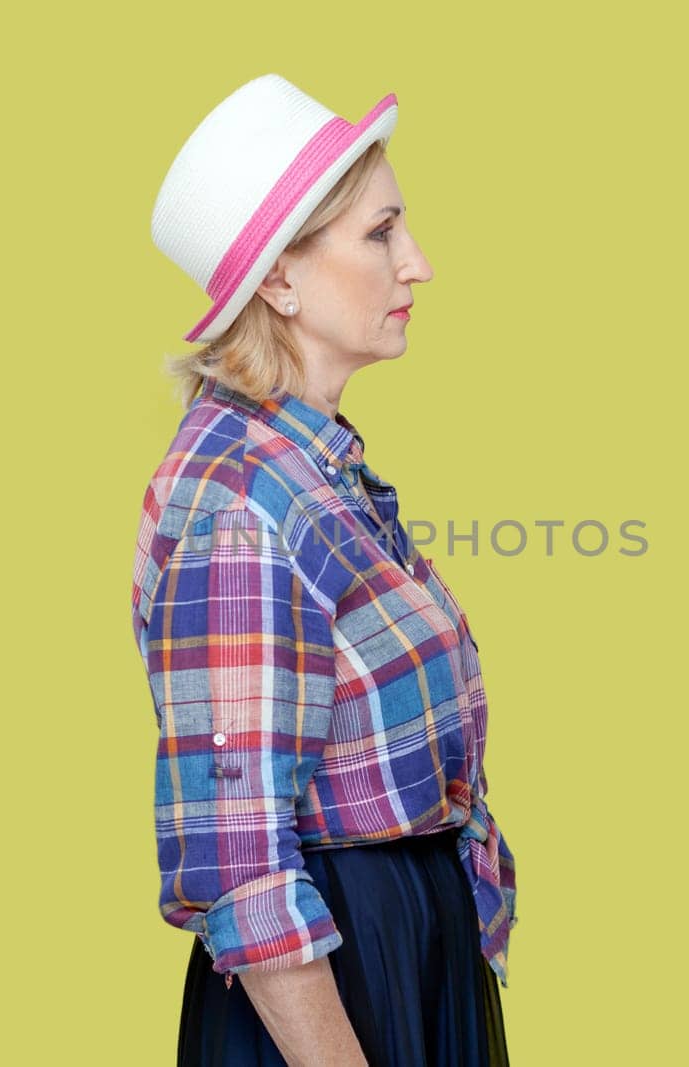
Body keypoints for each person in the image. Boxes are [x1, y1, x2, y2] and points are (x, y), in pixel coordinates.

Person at [131, 74, 517, 1066]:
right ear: (279, 280)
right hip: (339, 986)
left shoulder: (314, 463)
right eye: (381, 232)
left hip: (401, 949)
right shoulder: (240, 500)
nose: (417, 264)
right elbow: (239, 856)